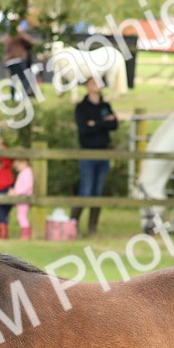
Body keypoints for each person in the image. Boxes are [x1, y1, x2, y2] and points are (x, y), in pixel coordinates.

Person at [72, 77, 118, 236]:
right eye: (93, 83)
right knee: (86, 191)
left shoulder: (105, 106)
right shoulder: (82, 108)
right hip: (88, 153)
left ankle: (92, 229)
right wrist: (103, 122)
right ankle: (73, 224)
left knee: (98, 193)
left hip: (103, 152)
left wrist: (95, 123)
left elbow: (114, 124)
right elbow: (84, 130)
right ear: (87, 86)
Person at [2, 23, 37, 99]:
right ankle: (24, 96)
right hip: (19, 59)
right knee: (26, 78)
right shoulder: (19, 34)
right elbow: (29, 42)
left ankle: (12, 96)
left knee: (13, 79)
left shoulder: (7, 36)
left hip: (9, 61)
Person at [8, 158, 33, 240]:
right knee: (21, 216)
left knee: (22, 216)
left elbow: (27, 186)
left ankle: (25, 235)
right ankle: (25, 234)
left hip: (24, 197)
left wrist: (16, 192)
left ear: (24, 162)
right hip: (21, 197)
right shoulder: (24, 172)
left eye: (18, 165)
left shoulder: (27, 172)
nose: (16, 167)